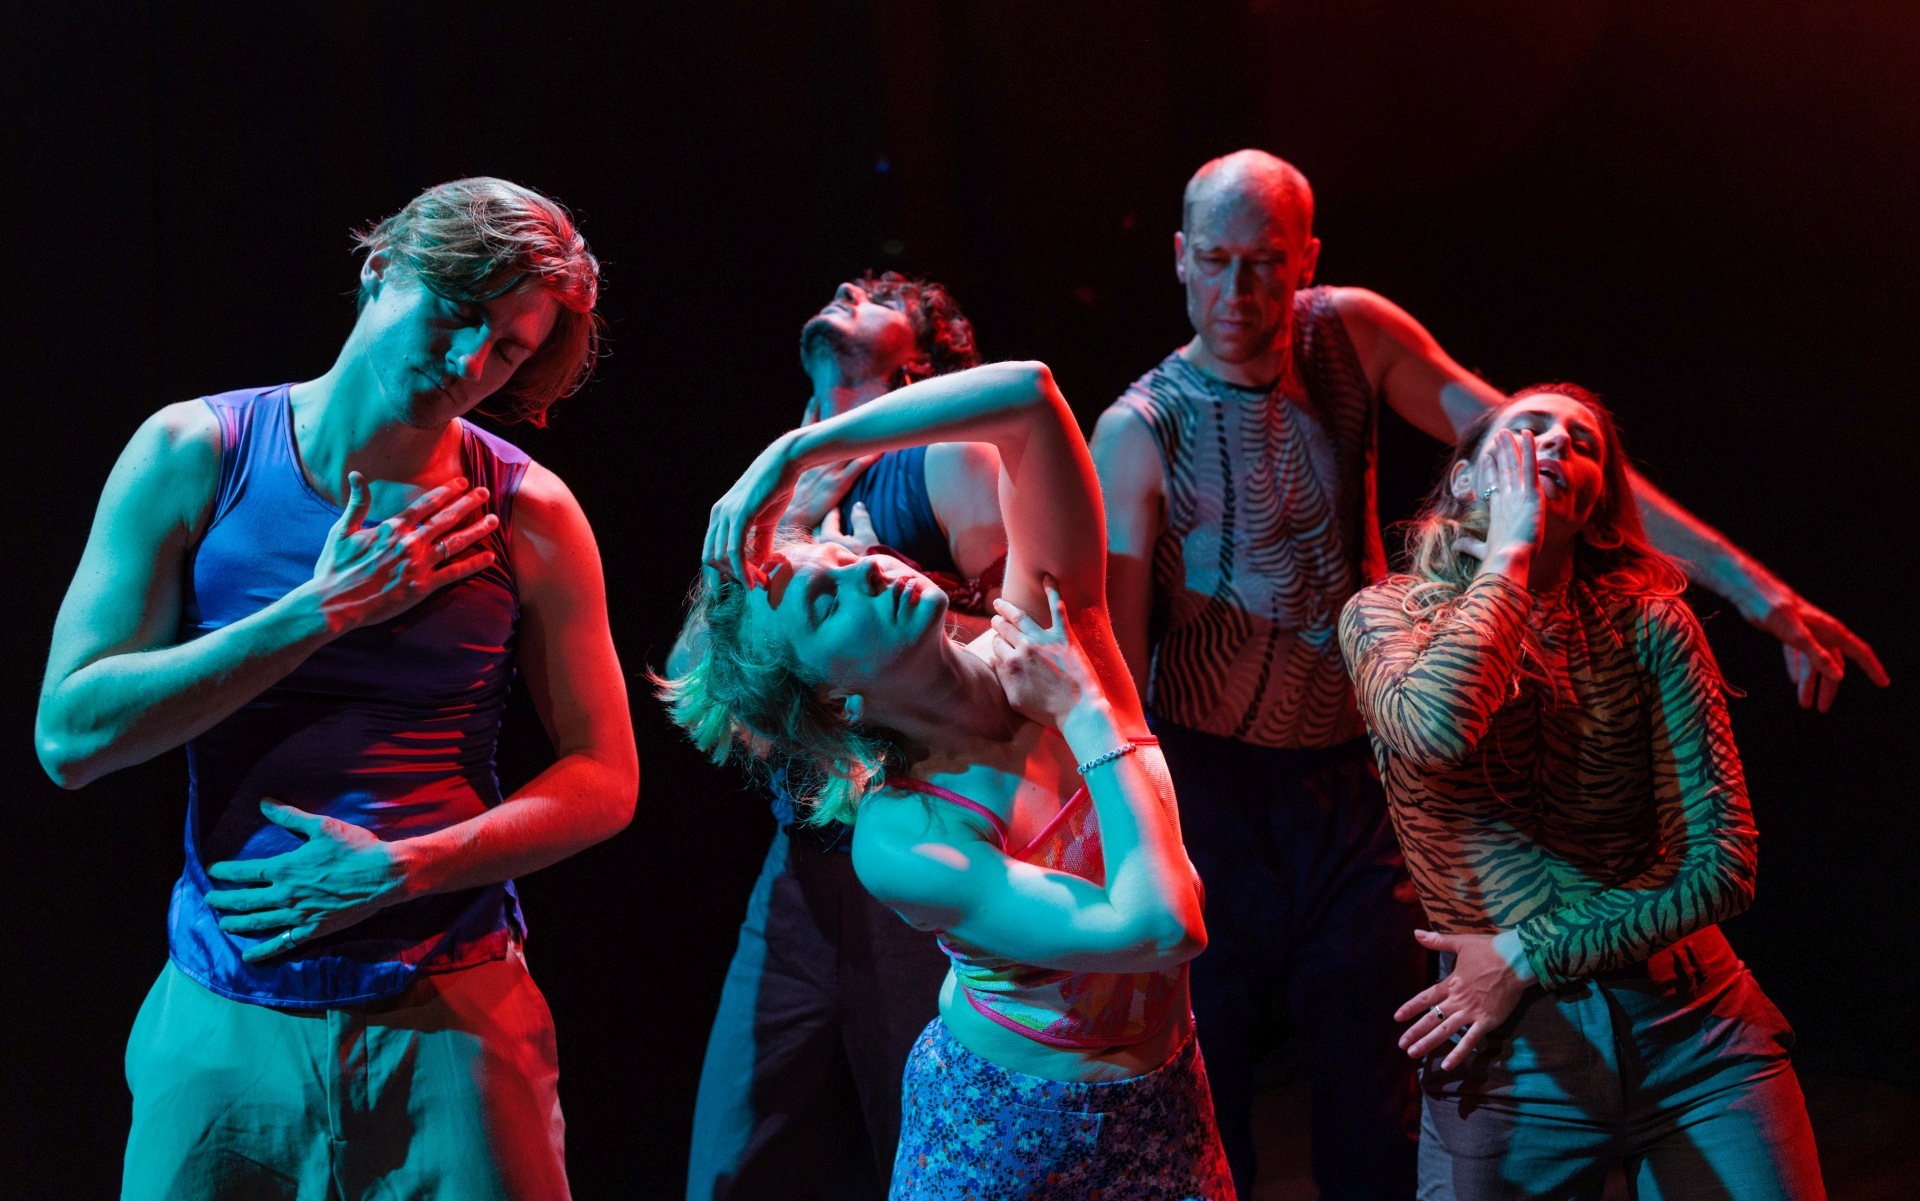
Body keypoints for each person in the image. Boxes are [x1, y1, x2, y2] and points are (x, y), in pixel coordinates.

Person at [1091, 149, 1883, 1198]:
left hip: (1357, 782)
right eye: (1220, 263)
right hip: (1219, 779)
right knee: (1213, 1074)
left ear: (1307, 261)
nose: (1241, 294)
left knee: (1376, 1080)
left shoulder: (1352, 335)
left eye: (1268, 265)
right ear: (1182, 261)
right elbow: (1113, 661)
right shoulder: (1142, 427)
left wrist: (1756, 592)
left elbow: (1539, 447)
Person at [35, 177, 639, 1200]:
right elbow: (72, 739)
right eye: (455, 317)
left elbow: (605, 777)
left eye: (508, 350)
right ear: (379, 270)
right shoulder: (199, 451)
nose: (469, 366)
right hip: (226, 1017)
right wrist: (319, 612)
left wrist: (407, 867)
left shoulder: (529, 511)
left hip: (454, 1011)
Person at [663, 361, 1232, 1200]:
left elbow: (1033, 397)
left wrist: (802, 448)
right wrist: (1089, 717)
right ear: (831, 698)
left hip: (1167, 1095)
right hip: (1006, 1134)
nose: (866, 569)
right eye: (826, 602)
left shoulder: (1044, 625)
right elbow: (1162, 926)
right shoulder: (904, 832)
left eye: (843, 553)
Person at [1338, 383, 1825, 1200]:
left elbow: (1723, 863)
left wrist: (1527, 953)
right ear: (1465, 482)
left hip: (1693, 1028)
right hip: (1511, 1053)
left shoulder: (1651, 622)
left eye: (1584, 442)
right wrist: (1509, 555)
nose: (1557, 444)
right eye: (1529, 429)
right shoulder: (1383, 615)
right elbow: (1434, 728)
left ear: (1599, 505)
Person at [681, 274, 1007, 1201]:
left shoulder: (945, 457)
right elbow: (712, 680)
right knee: (733, 1153)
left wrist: (889, 635)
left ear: (922, 362)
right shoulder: (772, 491)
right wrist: (785, 523)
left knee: (932, 1143)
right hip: (801, 861)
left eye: (880, 294)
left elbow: (1032, 644)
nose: (847, 287)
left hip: (922, 838)